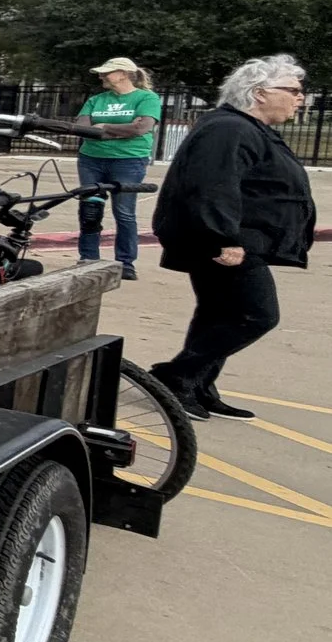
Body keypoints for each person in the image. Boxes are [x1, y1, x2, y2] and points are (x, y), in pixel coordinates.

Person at [150, 55, 314, 422]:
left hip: (239, 239)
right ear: (259, 93)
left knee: (219, 314)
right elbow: (212, 186)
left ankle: (199, 384)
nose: (300, 98)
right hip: (226, 241)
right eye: (293, 90)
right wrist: (223, 237)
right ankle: (175, 377)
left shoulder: (246, 128)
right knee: (256, 314)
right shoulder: (229, 129)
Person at [72, 55, 163, 281]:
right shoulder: (96, 100)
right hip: (91, 158)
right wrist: (119, 130)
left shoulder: (146, 98)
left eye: (107, 73)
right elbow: (82, 127)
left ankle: (125, 261)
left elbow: (142, 127)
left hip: (129, 160)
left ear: (123, 74)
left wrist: (104, 127)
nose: (102, 76)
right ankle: (88, 257)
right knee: (90, 208)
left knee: (124, 211)